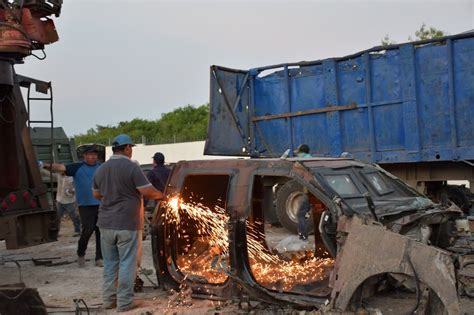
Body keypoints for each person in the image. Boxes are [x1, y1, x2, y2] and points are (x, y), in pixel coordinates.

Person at [92, 134, 163, 312]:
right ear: (126, 148)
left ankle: (109, 301)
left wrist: (113, 196)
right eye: (130, 148)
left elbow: (96, 194)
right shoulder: (131, 167)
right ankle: (124, 303)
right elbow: (146, 191)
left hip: (105, 224)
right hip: (127, 224)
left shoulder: (101, 169)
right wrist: (163, 196)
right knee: (127, 263)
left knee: (110, 263)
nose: (130, 151)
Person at [43, 144, 103, 267]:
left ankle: (99, 257)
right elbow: (60, 167)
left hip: (101, 205)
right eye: (90, 154)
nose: (92, 156)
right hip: (85, 205)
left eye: (94, 154)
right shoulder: (77, 167)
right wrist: (44, 164)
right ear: (85, 156)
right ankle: (81, 253)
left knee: (100, 232)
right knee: (88, 230)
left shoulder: (102, 167)